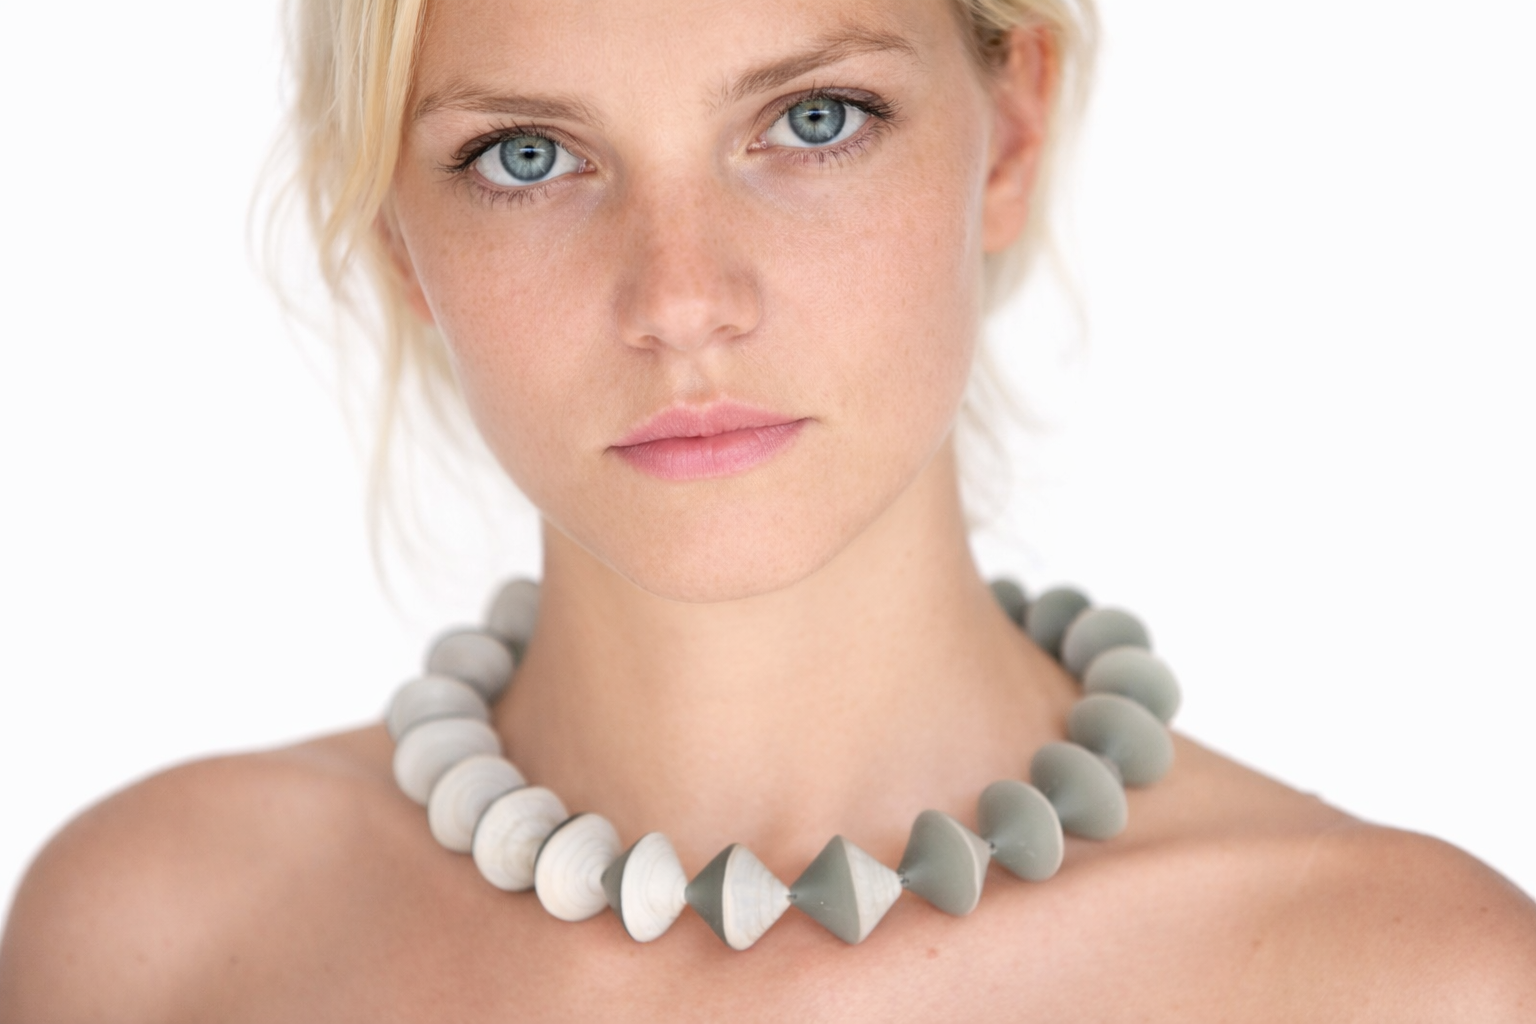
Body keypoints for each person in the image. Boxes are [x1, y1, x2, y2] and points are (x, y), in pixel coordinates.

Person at [2, 0, 1534, 1018]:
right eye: (525, 157)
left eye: (812, 121)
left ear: (1005, 135)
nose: (681, 301)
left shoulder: (1408, 985)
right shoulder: (152, 949)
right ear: (403, 234)